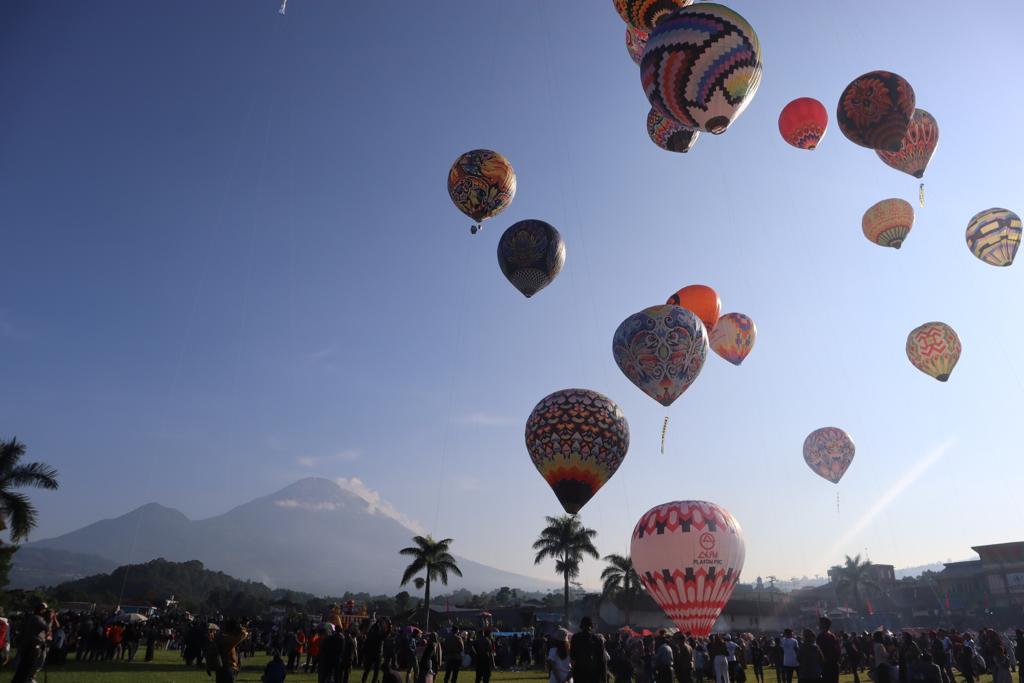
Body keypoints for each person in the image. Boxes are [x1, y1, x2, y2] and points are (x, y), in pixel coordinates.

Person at [11, 603, 52, 683]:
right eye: (45, 610)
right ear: (41, 610)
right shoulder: (38, 619)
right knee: (28, 669)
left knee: (22, 668)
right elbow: (47, 629)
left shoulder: (29, 618)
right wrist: (50, 619)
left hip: (25, 646)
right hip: (33, 647)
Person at [571, 617, 607, 683]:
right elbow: (602, 661)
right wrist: (604, 679)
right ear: (591, 626)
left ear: (581, 626)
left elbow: (572, 658)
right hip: (593, 675)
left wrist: (572, 672)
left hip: (579, 674)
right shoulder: (597, 639)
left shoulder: (575, 638)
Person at [816, 619, 840, 683]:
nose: (818, 625)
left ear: (824, 625)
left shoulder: (821, 636)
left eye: (820, 624)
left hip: (826, 666)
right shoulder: (832, 636)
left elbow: (819, 652)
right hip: (834, 665)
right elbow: (838, 651)